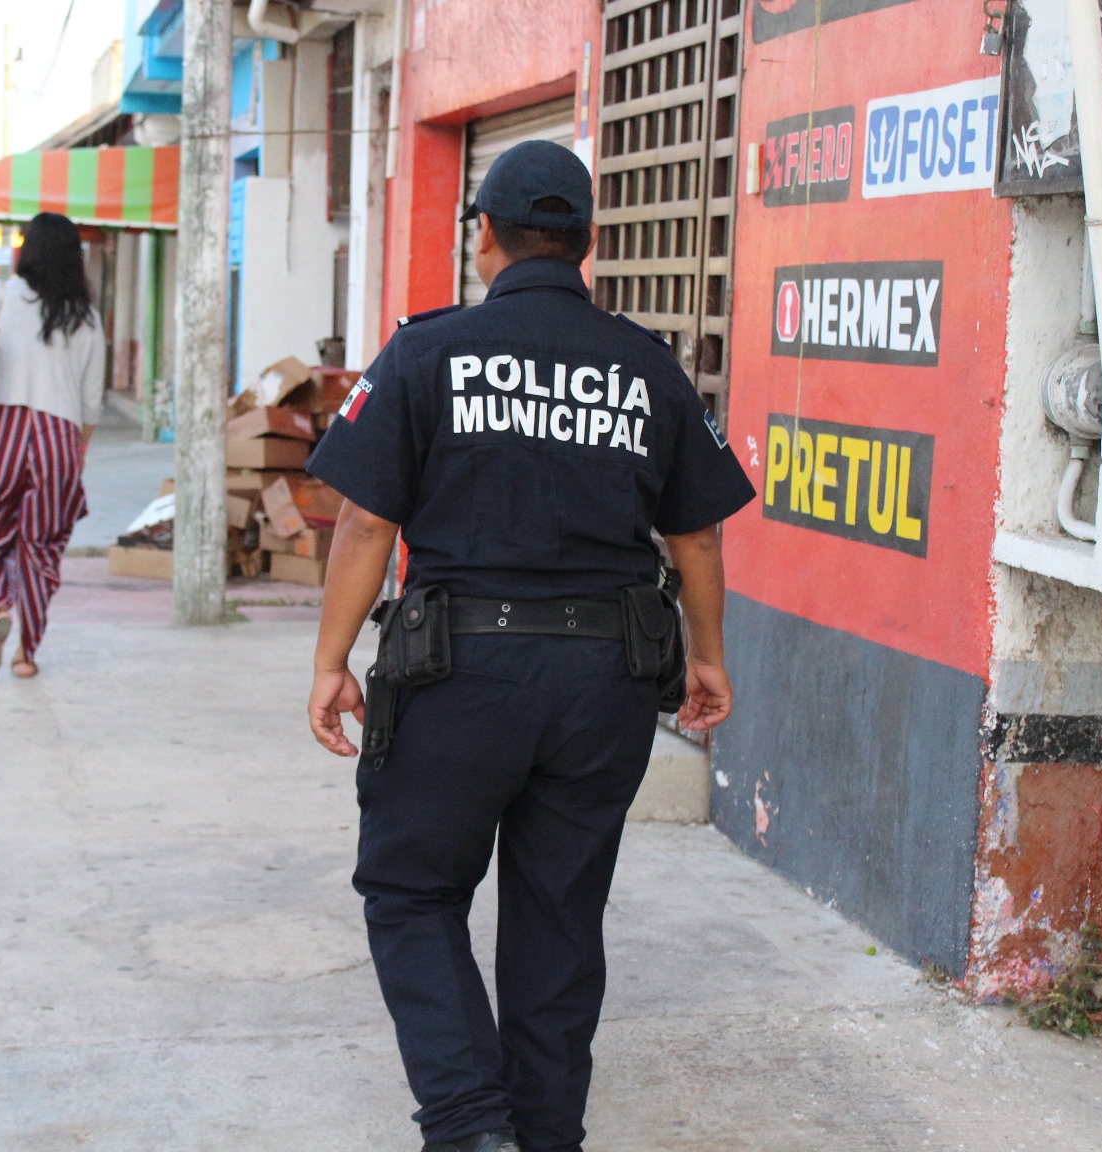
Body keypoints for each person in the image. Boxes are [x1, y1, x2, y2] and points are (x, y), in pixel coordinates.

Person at [304, 141, 756, 1152]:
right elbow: (696, 534)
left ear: (484, 238)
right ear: (588, 244)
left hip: (460, 674)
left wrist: (332, 662)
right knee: (558, 917)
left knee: (412, 891)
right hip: (606, 685)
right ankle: (542, 1137)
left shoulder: (425, 353)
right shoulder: (646, 364)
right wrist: (711, 656)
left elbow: (365, 527)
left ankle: (470, 1127)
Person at [0, 212, 103, 679]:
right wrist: (76, 456)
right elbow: (91, 404)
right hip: (59, 438)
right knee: (42, 548)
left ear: (26, 250)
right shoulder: (87, 318)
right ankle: (25, 654)